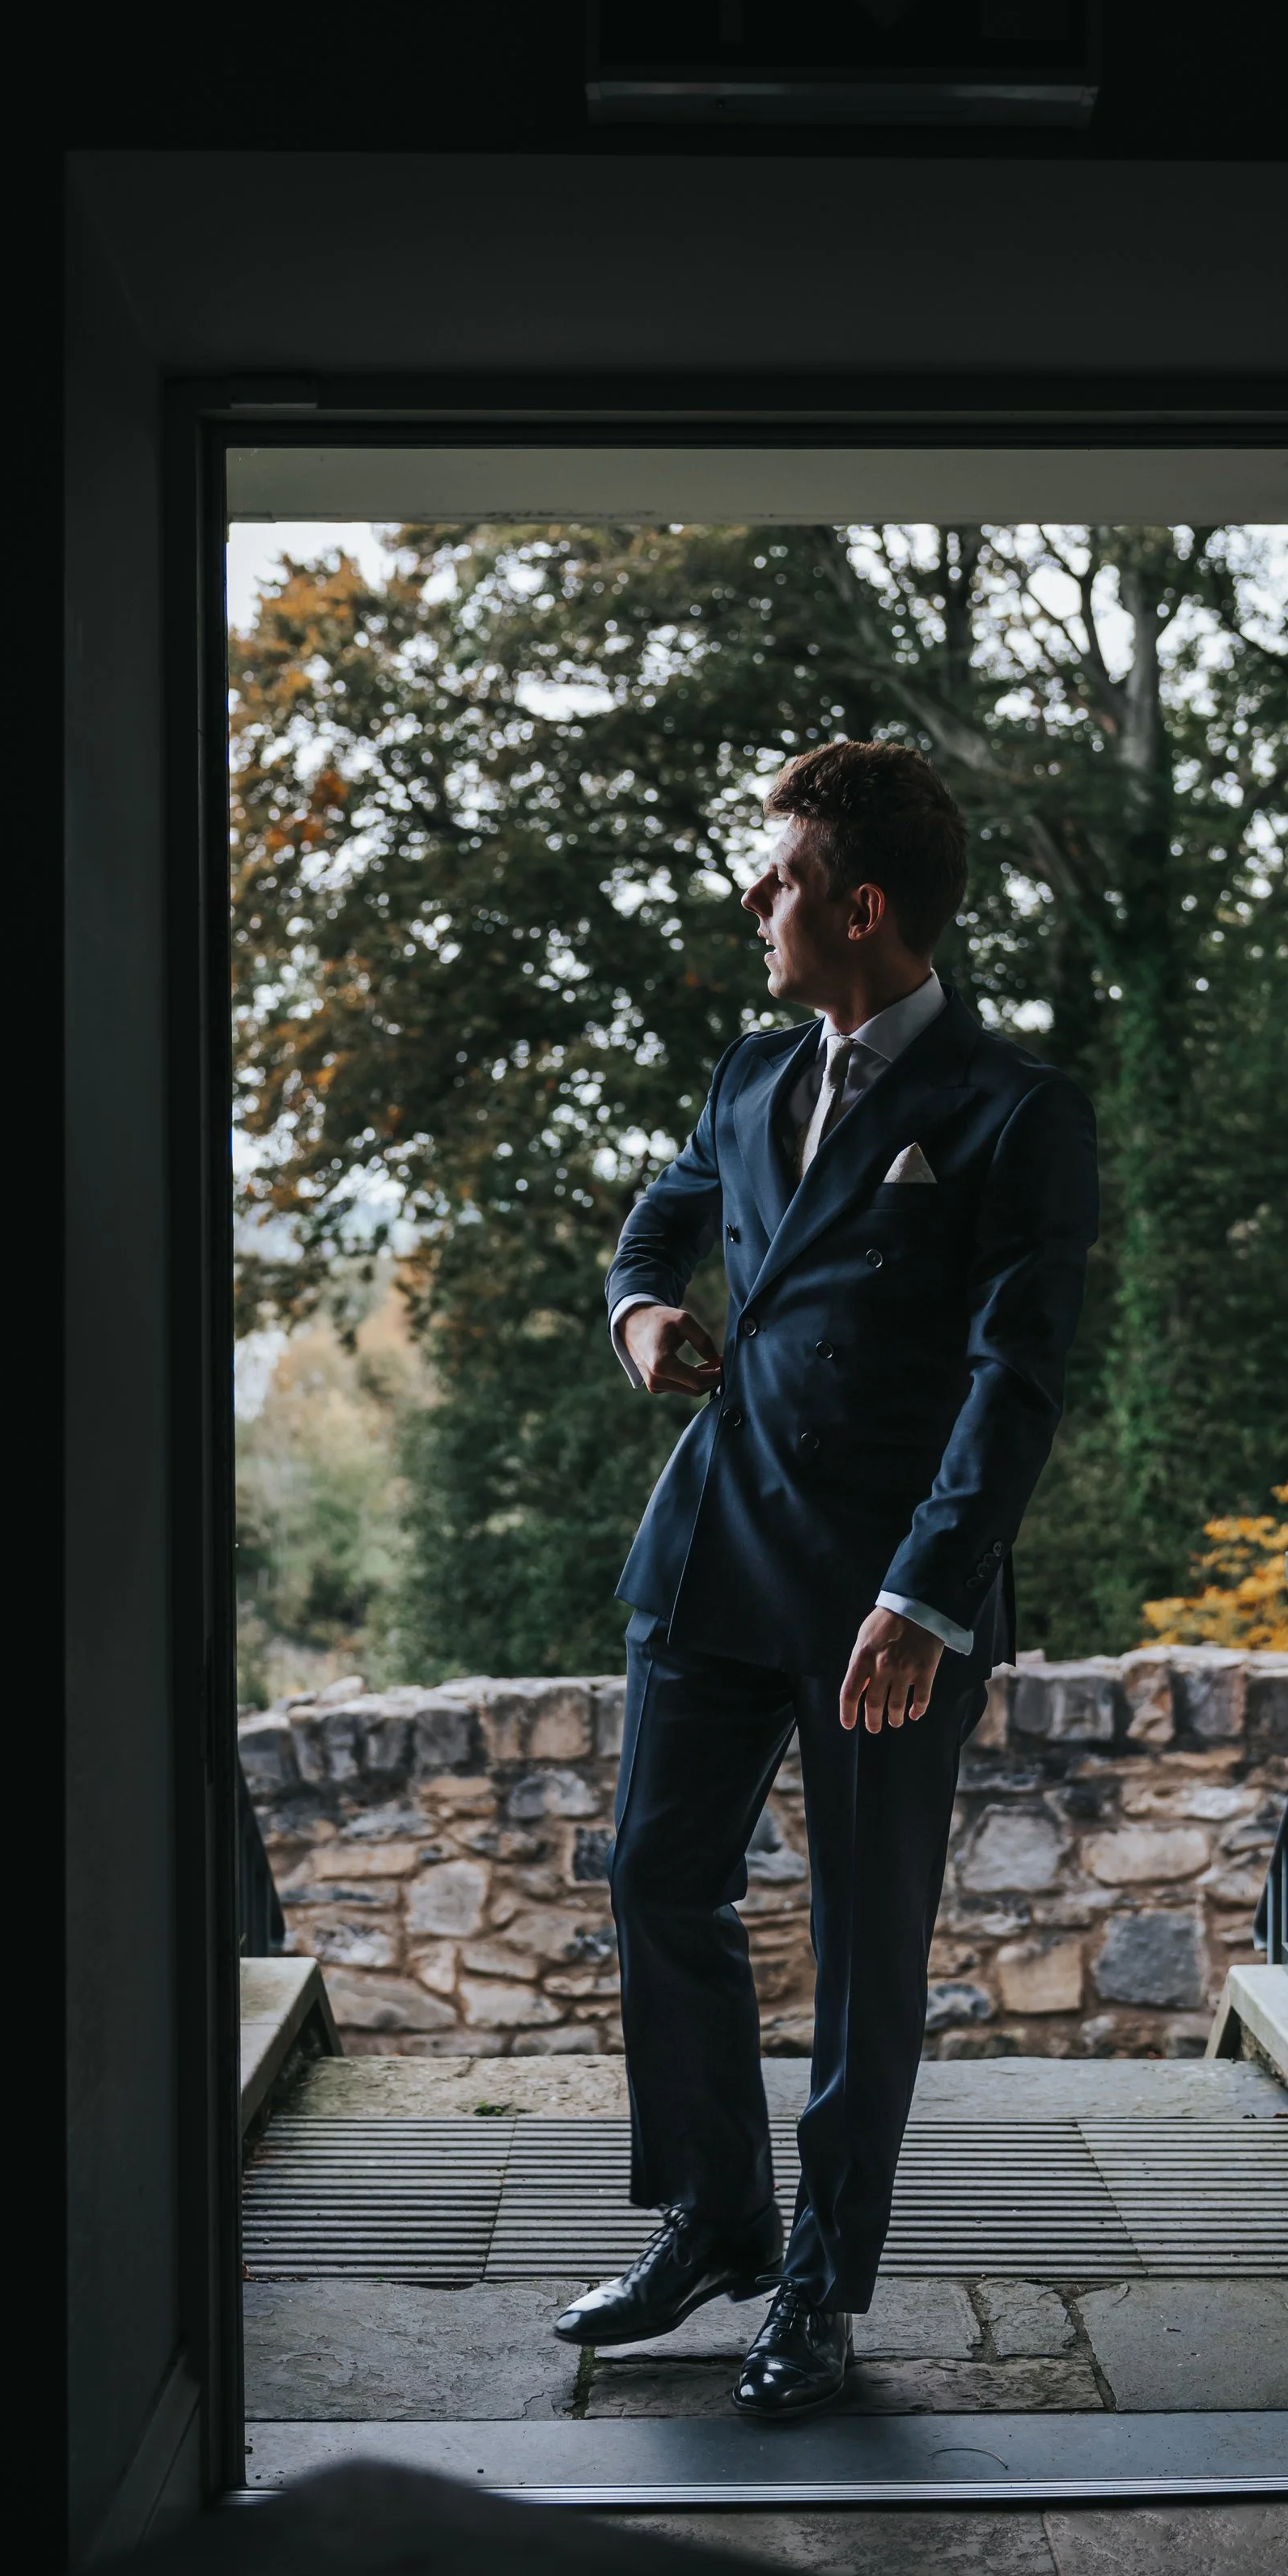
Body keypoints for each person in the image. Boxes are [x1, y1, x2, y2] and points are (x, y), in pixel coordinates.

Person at [553, 740, 1098, 2417]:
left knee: (868, 1955)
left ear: (859, 908)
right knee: (657, 1876)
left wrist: (927, 1599)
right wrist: (644, 1313)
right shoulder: (746, 1075)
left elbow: (1015, 1380)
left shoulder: (1014, 1110)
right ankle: (718, 2217)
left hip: (888, 1601)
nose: (752, 897)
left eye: (777, 874)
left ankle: (819, 2284)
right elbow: (655, 1227)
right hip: (714, 1552)